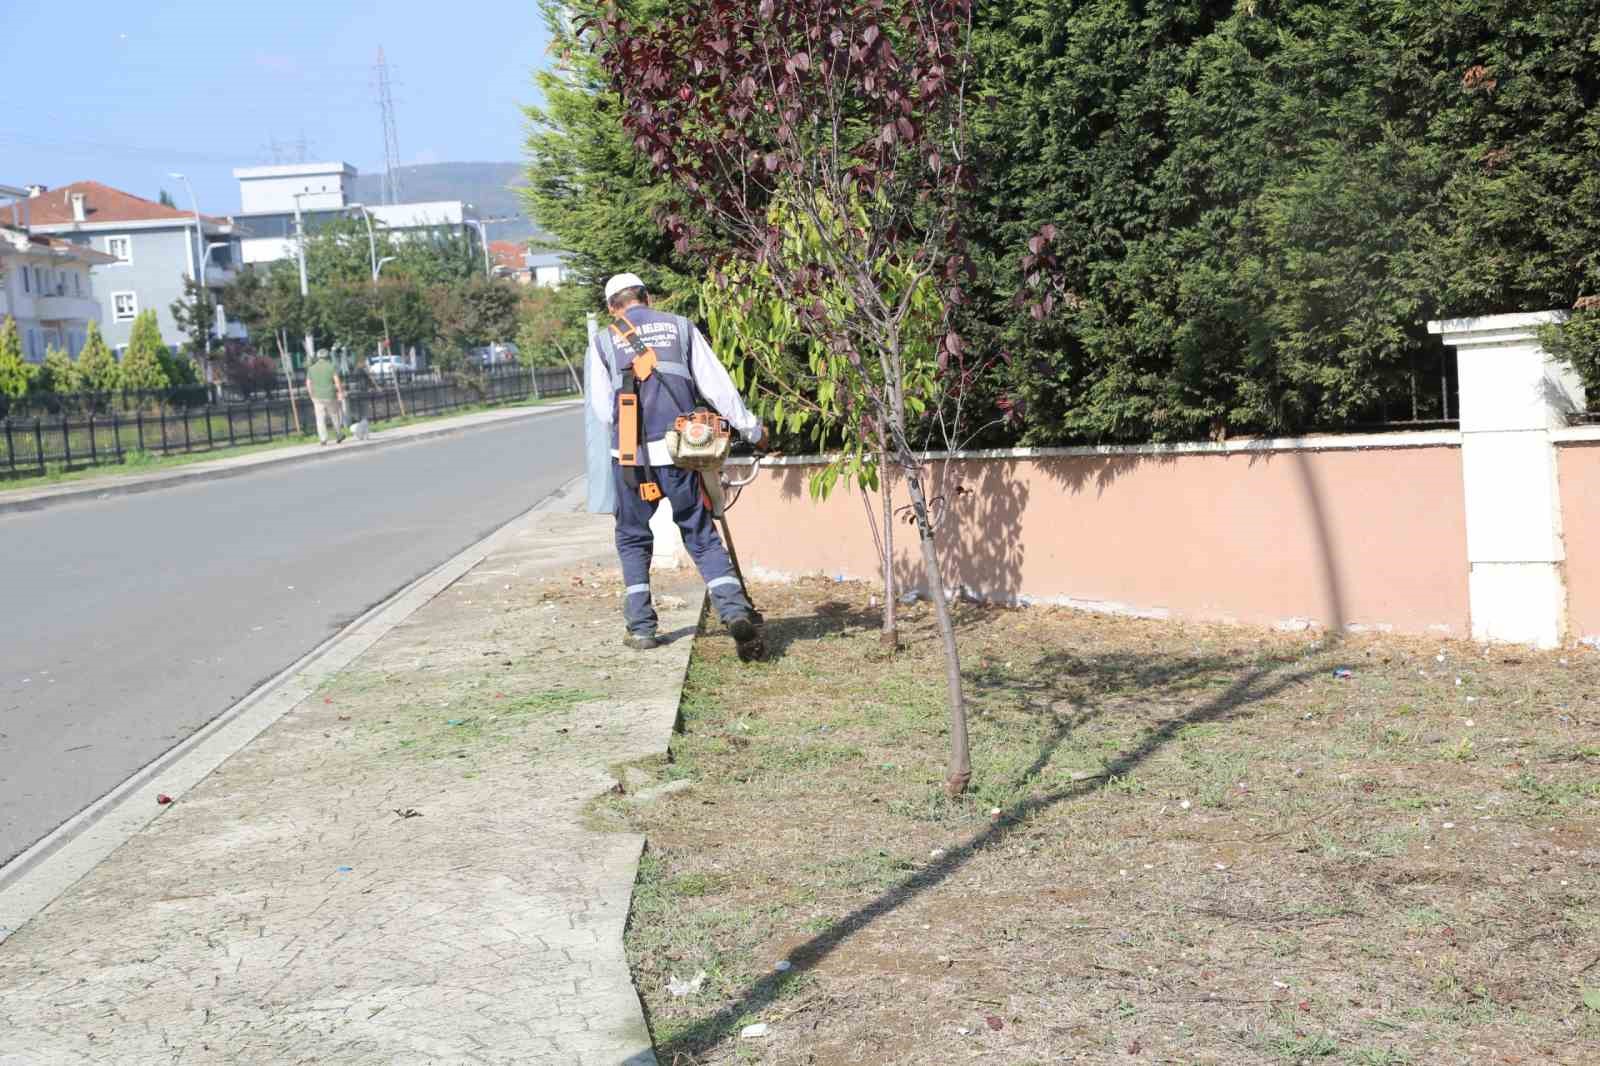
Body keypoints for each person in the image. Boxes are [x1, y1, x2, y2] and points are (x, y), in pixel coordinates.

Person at [587, 272, 768, 657]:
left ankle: (641, 628)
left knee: (633, 537)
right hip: (680, 451)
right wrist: (752, 431)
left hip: (630, 459)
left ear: (610, 307)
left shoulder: (603, 342)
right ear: (646, 297)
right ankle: (734, 611)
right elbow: (719, 388)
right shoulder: (681, 328)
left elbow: (604, 413)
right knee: (699, 532)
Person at [306, 349, 346, 445]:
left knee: (320, 418)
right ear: (327, 357)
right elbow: (336, 381)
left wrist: (311, 395)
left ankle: (323, 439)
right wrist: (340, 392)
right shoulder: (331, 367)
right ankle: (338, 434)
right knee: (334, 415)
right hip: (330, 395)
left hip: (317, 396)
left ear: (318, 357)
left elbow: (308, 384)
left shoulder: (311, 368)